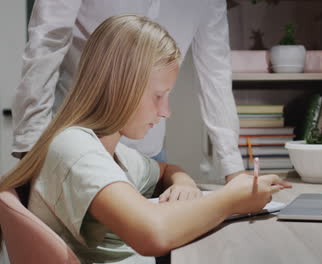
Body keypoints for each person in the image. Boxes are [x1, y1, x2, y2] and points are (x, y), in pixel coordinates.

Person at [0, 15, 291, 264]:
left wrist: (184, 184)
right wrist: (231, 200)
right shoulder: (75, 149)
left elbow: (166, 170)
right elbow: (154, 235)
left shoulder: (111, 152)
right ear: (120, 87)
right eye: (158, 96)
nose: (166, 112)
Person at [12, 0, 244, 185]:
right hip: (86, 142)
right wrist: (30, 149)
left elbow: (216, 72)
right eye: (159, 96)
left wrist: (233, 172)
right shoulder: (81, 160)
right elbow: (47, 41)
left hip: (147, 153)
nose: (166, 112)